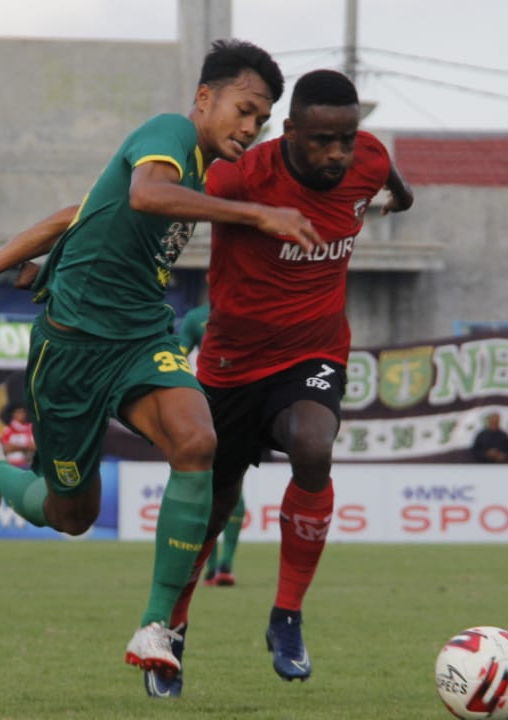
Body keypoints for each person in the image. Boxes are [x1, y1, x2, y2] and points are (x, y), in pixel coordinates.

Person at [0, 39, 322, 682]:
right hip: (69, 354)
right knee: (72, 515)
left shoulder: (198, 172)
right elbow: (147, 196)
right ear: (205, 98)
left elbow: (77, 215)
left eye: (260, 120)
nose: (249, 127)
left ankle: (157, 627)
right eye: (244, 109)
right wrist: (256, 214)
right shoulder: (170, 133)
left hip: (140, 338)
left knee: (197, 440)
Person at [144, 68, 413, 697]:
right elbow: (149, 206)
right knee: (208, 513)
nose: (337, 154)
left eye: (346, 139)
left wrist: (392, 200)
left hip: (312, 353)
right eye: (322, 140)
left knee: (314, 445)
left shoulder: (366, 160)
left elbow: (392, 182)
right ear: (288, 131)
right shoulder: (239, 174)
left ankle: (287, 615)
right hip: (229, 367)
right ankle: (171, 631)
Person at [178, 300, 244, 588]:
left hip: (241, 402)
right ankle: (214, 565)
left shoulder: (249, 311)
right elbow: (179, 357)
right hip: (210, 402)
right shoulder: (196, 317)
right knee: (217, 483)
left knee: (226, 480)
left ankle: (222, 565)